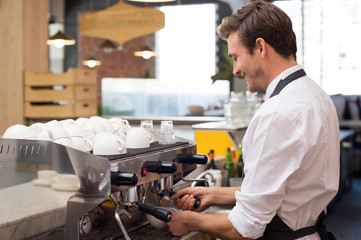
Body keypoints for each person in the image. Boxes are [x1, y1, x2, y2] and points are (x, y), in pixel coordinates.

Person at [167, 1, 340, 239]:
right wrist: (218, 195)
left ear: (260, 47)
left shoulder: (277, 113)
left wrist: (189, 221)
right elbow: (289, 190)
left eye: (236, 57)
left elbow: (246, 227)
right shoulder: (315, 94)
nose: (235, 69)